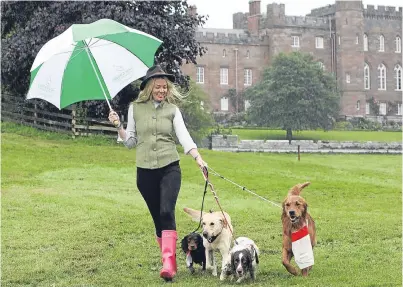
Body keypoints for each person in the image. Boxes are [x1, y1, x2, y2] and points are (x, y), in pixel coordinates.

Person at [108, 65, 206, 281]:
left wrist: (198, 158)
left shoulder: (172, 110)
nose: (162, 90)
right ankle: (168, 260)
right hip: (145, 173)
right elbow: (130, 142)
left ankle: (169, 263)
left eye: (165, 87)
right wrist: (119, 127)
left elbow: (184, 136)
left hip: (170, 167)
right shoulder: (135, 108)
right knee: (157, 219)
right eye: (158, 87)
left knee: (166, 212)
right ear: (149, 87)